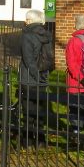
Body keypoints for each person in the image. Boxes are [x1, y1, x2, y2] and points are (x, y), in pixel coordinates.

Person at [18, 9, 53, 144]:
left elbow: (28, 60)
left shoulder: (27, 35)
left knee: (28, 110)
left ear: (30, 21)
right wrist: (42, 76)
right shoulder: (47, 35)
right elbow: (49, 57)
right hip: (43, 76)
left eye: (26, 19)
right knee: (40, 110)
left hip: (29, 77)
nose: (25, 21)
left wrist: (35, 75)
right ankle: (40, 139)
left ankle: (27, 140)